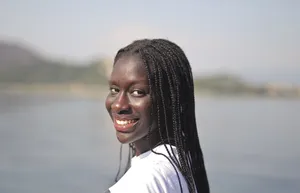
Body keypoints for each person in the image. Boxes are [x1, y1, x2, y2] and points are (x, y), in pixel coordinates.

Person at [104, 38, 210, 193]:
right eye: (114, 90)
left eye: (137, 92)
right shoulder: (178, 163)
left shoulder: (143, 181)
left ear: (172, 100)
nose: (118, 105)